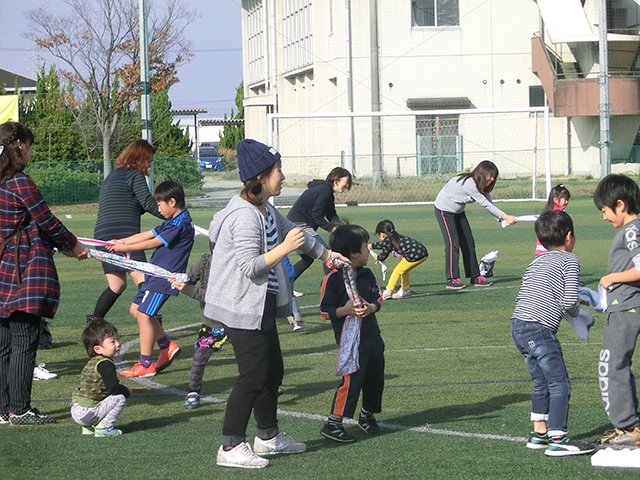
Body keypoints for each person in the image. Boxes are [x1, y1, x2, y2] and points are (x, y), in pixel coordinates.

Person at [205, 139, 345, 469]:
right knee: (253, 375)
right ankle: (229, 446)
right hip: (238, 305)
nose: (282, 176)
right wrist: (284, 248)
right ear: (261, 176)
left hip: (258, 303)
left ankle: (267, 437)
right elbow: (249, 266)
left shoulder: (265, 209)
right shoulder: (245, 216)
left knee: (273, 370)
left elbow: (297, 233)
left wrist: (327, 254)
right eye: (278, 170)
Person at [0, 121, 88, 426]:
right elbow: (46, 220)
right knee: (24, 340)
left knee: (3, 344)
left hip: (3, 271)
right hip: (21, 271)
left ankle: (4, 410)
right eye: (30, 146)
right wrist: (72, 244)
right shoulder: (19, 182)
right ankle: (20, 410)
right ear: (20, 145)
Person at [510, 210, 594, 456]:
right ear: (569, 236)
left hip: (518, 324)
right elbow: (568, 302)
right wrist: (580, 311)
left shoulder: (537, 260)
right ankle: (558, 437)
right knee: (559, 383)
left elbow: (527, 286)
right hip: (539, 327)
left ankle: (539, 434)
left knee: (541, 382)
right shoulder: (570, 260)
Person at [107, 180, 194, 378]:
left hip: (164, 277)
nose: (158, 208)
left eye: (160, 204)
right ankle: (166, 346)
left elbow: (153, 242)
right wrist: (121, 242)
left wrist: (125, 249)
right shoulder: (172, 221)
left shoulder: (181, 222)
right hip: (154, 275)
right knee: (136, 310)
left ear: (172, 202)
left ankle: (146, 363)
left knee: (145, 315)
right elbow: (148, 233)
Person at [319, 224, 385, 443]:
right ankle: (333, 422)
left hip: (373, 337)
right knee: (352, 380)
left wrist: (371, 308)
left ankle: (367, 415)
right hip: (351, 342)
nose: (369, 251)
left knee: (375, 378)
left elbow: (378, 299)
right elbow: (324, 310)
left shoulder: (366, 275)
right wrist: (345, 311)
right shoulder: (333, 279)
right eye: (366, 246)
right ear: (354, 252)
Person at [90, 139, 163, 323]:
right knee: (144, 278)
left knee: (117, 284)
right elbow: (147, 203)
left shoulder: (113, 176)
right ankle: (150, 317)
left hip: (102, 235)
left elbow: (129, 205)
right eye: (149, 160)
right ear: (141, 158)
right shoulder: (134, 175)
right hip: (124, 236)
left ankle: (95, 321)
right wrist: (173, 216)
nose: (149, 164)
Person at [593, 174, 640, 446]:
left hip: (626, 307)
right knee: (618, 364)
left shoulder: (632, 230)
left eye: (605, 210)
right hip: (624, 305)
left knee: (612, 365)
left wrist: (612, 278)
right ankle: (630, 424)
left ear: (620, 205)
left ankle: (627, 427)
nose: (604, 217)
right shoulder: (630, 230)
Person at [433, 160, 517, 289]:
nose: (492, 179)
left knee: (468, 242)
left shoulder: (481, 185)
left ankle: (475, 277)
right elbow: (485, 204)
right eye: (490, 175)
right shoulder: (470, 184)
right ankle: (452, 279)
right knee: (452, 243)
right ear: (481, 173)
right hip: (444, 210)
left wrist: (501, 219)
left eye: (494, 176)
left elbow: (489, 202)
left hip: (458, 211)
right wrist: (505, 216)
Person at [168, 240, 229, 409]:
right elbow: (190, 278)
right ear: (212, 247)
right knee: (199, 359)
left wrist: (185, 289)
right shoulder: (204, 261)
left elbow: (216, 297)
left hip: (237, 321)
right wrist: (179, 279)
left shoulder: (236, 266)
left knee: (252, 357)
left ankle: (266, 385)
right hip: (212, 322)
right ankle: (193, 391)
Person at [287, 166, 353, 280]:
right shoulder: (324, 191)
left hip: (298, 224)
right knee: (327, 254)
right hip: (299, 225)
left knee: (307, 259)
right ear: (336, 181)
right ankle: (332, 285)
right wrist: (331, 228)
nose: (347, 186)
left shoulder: (327, 192)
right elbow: (316, 216)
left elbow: (331, 215)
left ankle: (288, 283)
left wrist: (343, 228)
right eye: (346, 182)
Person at [70, 318, 130, 436]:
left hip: (76, 410)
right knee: (120, 398)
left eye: (118, 339)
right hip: (87, 413)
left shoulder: (92, 362)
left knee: (99, 395)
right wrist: (127, 391)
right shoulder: (106, 364)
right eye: (112, 341)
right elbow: (113, 388)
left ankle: (88, 428)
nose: (118, 344)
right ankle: (104, 428)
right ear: (97, 349)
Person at [369, 219, 428, 300]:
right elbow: (382, 245)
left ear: (382, 234)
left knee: (397, 271)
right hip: (422, 252)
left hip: (415, 255)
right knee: (404, 270)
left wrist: (378, 258)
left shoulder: (388, 241)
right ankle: (405, 289)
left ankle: (388, 291)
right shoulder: (395, 236)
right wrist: (371, 245)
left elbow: (384, 254)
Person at [535, 184, 570, 256]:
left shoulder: (547, 212)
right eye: (565, 199)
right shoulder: (557, 215)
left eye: (567, 199)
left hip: (540, 249)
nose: (567, 202)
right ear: (555, 199)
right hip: (550, 249)